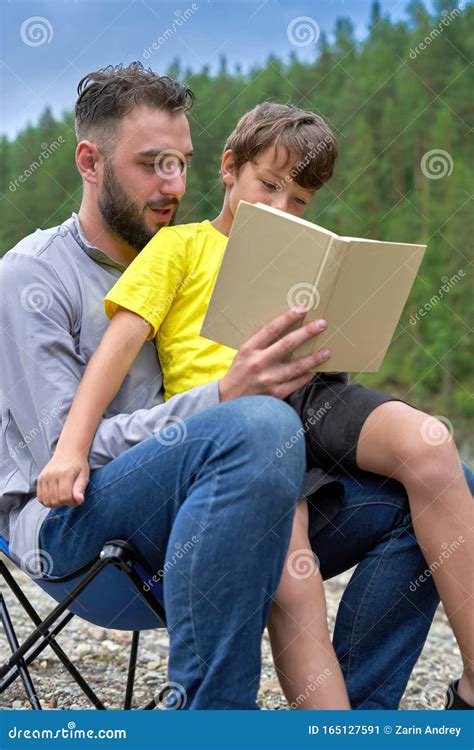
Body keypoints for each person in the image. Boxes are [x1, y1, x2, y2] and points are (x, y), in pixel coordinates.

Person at [1, 63, 468, 709]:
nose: (172, 186)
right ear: (89, 160)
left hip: (222, 497)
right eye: (151, 165)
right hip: (74, 525)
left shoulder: (205, 254)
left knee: (433, 481)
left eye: (181, 164)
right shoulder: (31, 278)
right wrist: (223, 399)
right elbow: (61, 456)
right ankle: (213, 718)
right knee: (257, 425)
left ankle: (357, 723)